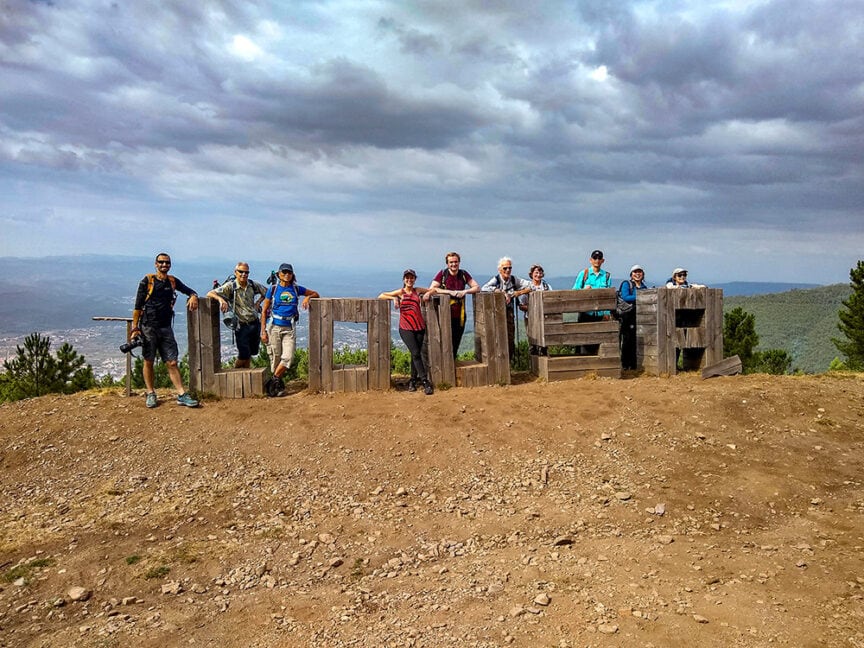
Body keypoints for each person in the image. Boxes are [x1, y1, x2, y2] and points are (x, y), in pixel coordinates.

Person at [130, 253, 200, 409]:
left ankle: (182, 394)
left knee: (172, 362)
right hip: (148, 326)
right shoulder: (147, 281)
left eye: (167, 263)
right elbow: (138, 306)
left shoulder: (172, 281)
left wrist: (193, 296)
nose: (164, 265)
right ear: (156, 264)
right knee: (148, 360)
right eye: (161, 262)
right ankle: (150, 393)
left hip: (166, 327)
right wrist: (135, 328)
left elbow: (189, 290)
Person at [260, 263, 320, 397]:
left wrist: (307, 297)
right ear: (279, 274)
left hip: (289, 327)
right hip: (274, 327)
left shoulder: (296, 288)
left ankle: (273, 381)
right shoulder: (273, 289)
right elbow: (264, 311)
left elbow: (316, 293)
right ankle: (277, 387)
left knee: (288, 357)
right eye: (284, 272)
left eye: (289, 272)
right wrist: (263, 331)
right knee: (275, 358)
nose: (287, 274)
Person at [379, 269, 434, 395]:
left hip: (420, 326)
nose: (409, 280)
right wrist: (394, 298)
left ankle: (413, 381)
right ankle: (425, 382)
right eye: (407, 278)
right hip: (405, 328)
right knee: (415, 353)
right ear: (404, 279)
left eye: (412, 278)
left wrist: (427, 294)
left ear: (415, 279)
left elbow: (433, 290)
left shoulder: (417, 290)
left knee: (416, 355)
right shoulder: (400, 292)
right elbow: (381, 295)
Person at [206, 262, 268, 368]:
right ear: (235, 272)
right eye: (241, 272)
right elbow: (210, 293)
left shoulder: (252, 284)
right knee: (244, 354)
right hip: (241, 325)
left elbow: (267, 292)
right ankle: (235, 374)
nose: (244, 274)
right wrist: (221, 300)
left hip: (254, 322)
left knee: (251, 352)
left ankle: (246, 375)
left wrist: (258, 302)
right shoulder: (231, 286)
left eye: (246, 272)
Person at [425, 252, 480, 358]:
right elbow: (432, 289)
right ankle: (444, 364)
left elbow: (477, 287)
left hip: (460, 315)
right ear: (447, 264)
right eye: (451, 262)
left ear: (459, 262)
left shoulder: (463, 274)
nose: (454, 264)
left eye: (456, 262)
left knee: (456, 340)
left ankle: (452, 362)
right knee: (444, 340)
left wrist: (464, 292)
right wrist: (450, 292)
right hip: (444, 313)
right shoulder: (442, 274)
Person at [481, 257, 532, 363]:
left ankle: (508, 363)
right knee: (497, 337)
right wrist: (499, 291)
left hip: (509, 313)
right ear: (500, 270)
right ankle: (498, 363)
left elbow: (530, 285)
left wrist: (519, 293)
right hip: (496, 313)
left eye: (510, 268)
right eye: (505, 268)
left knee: (510, 337)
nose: (508, 270)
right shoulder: (496, 280)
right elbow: (484, 288)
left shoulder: (514, 280)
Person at [618, 265, 649, 370]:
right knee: (627, 340)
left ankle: (634, 364)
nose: (637, 274)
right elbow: (625, 297)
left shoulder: (644, 287)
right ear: (631, 274)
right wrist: (642, 296)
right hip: (628, 315)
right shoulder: (627, 284)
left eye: (639, 272)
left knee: (637, 340)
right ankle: (625, 364)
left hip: (640, 316)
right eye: (635, 272)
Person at [520, 264, 552, 356]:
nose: (538, 275)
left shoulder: (547, 287)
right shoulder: (527, 288)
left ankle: (544, 363)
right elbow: (521, 305)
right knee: (532, 342)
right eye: (536, 272)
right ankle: (533, 365)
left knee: (544, 342)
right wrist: (533, 308)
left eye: (540, 272)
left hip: (543, 318)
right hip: (530, 318)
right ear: (531, 274)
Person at [572, 249, 612, 321]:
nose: (597, 260)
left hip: (601, 314)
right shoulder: (584, 273)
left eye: (599, 258)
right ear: (590, 260)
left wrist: (607, 313)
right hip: (585, 312)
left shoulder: (607, 276)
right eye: (595, 258)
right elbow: (574, 291)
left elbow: (608, 296)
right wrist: (584, 291)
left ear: (603, 261)